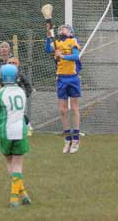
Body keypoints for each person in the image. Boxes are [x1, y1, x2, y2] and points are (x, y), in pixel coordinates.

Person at [0, 63, 32, 209]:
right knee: (18, 164)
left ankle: (14, 198)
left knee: (11, 163)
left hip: (5, 132)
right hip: (21, 130)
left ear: (2, 77)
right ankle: (22, 194)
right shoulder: (21, 92)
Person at [45, 23, 82, 154]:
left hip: (73, 78)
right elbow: (47, 50)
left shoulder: (73, 41)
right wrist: (48, 37)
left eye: (65, 28)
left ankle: (76, 139)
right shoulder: (57, 44)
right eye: (60, 28)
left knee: (74, 108)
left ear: (70, 32)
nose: (62, 29)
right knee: (62, 110)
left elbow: (76, 56)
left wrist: (63, 56)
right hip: (61, 78)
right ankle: (67, 139)